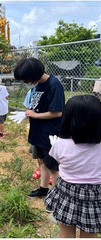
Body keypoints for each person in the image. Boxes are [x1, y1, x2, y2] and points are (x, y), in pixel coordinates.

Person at [44, 95, 101, 238]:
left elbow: (59, 163)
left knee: (66, 232)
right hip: (96, 194)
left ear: (68, 119)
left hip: (67, 191)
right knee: (90, 234)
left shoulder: (60, 144)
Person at [14, 58, 65, 198]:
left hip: (50, 134)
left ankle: (56, 197)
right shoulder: (38, 85)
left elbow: (57, 112)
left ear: (34, 75)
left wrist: (35, 115)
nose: (26, 83)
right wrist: (27, 114)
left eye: (26, 79)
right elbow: (37, 107)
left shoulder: (54, 85)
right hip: (38, 132)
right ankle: (43, 189)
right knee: (42, 162)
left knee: (53, 167)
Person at [23, 87, 52, 185]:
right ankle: (40, 169)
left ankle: (52, 174)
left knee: (51, 154)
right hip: (36, 129)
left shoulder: (51, 89)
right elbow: (28, 109)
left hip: (49, 129)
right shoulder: (31, 91)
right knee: (38, 153)